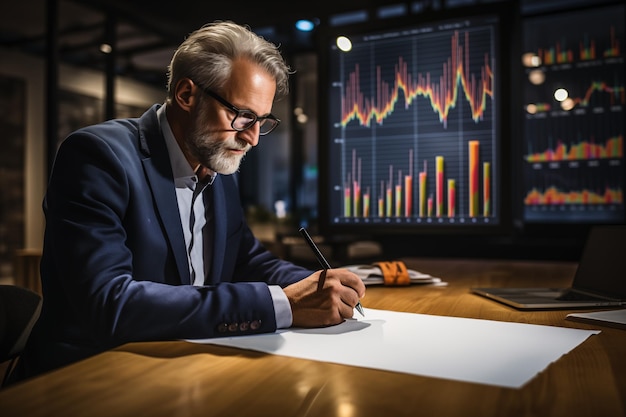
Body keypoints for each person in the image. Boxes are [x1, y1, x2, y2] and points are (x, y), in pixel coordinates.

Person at [11, 20, 365, 383]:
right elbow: (110, 301)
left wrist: (320, 284)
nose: (253, 139)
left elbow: (245, 258)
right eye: (243, 116)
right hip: (88, 378)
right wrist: (283, 306)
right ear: (186, 94)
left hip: (183, 369)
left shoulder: (216, 160)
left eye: (262, 121)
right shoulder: (97, 157)